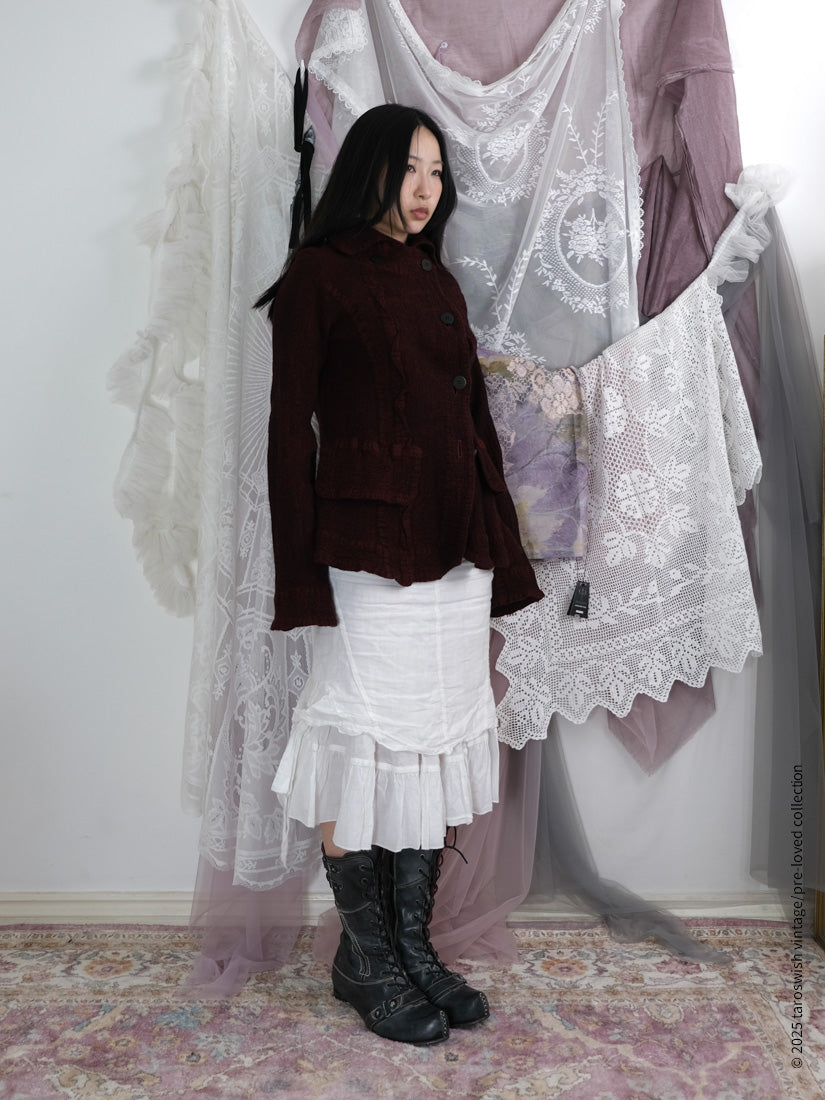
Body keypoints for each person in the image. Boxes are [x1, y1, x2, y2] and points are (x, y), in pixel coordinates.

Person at [256, 103, 543, 1046]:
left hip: (454, 549)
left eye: (436, 173)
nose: (425, 190)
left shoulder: (435, 276)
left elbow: (473, 427)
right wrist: (299, 579)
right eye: (408, 170)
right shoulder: (318, 275)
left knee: (428, 738)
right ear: (369, 171)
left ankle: (410, 950)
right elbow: (286, 436)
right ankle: (366, 957)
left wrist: (497, 543)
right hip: (368, 551)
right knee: (363, 736)